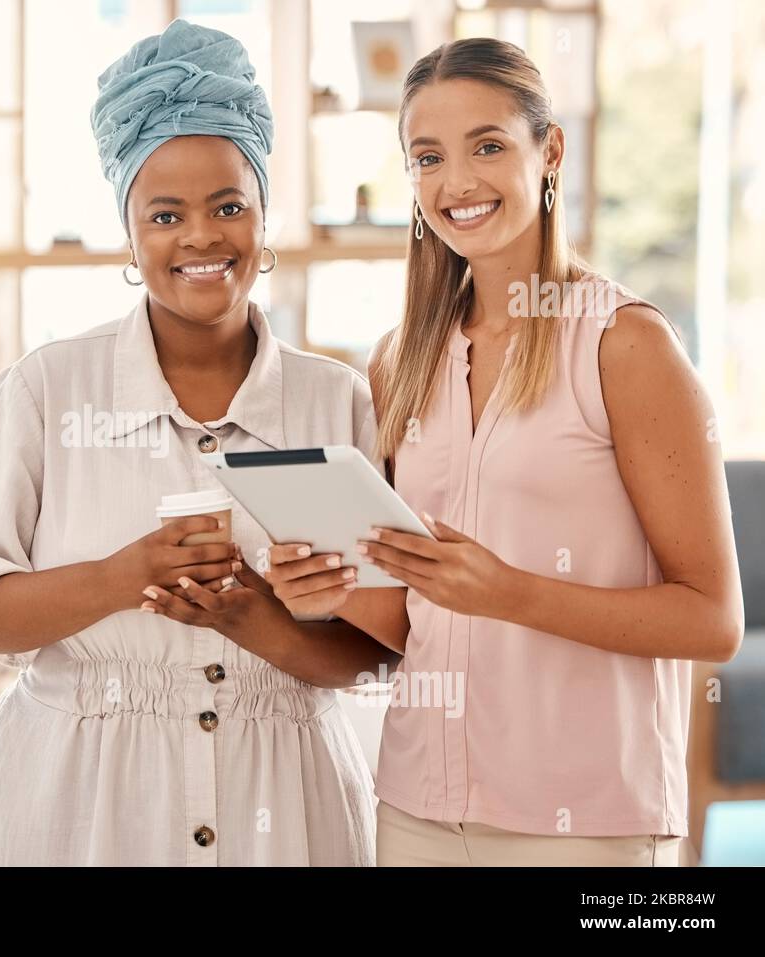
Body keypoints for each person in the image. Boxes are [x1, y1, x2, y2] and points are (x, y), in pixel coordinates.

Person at [0, 19, 402, 866]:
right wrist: (124, 575)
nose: (202, 238)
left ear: (263, 216)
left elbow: (377, 656)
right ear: (129, 233)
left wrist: (256, 620)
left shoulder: (338, 401)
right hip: (77, 806)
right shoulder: (45, 391)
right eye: (165, 213)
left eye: (228, 206)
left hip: (283, 807)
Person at [265, 38, 743, 866]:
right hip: (417, 807)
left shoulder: (624, 347)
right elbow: (410, 614)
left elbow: (713, 619)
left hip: (586, 821)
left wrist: (514, 592)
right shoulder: (399, 359)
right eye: (428, 157)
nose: (458, 183)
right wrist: (325, 588)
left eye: (488, 145)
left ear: (548, 149)